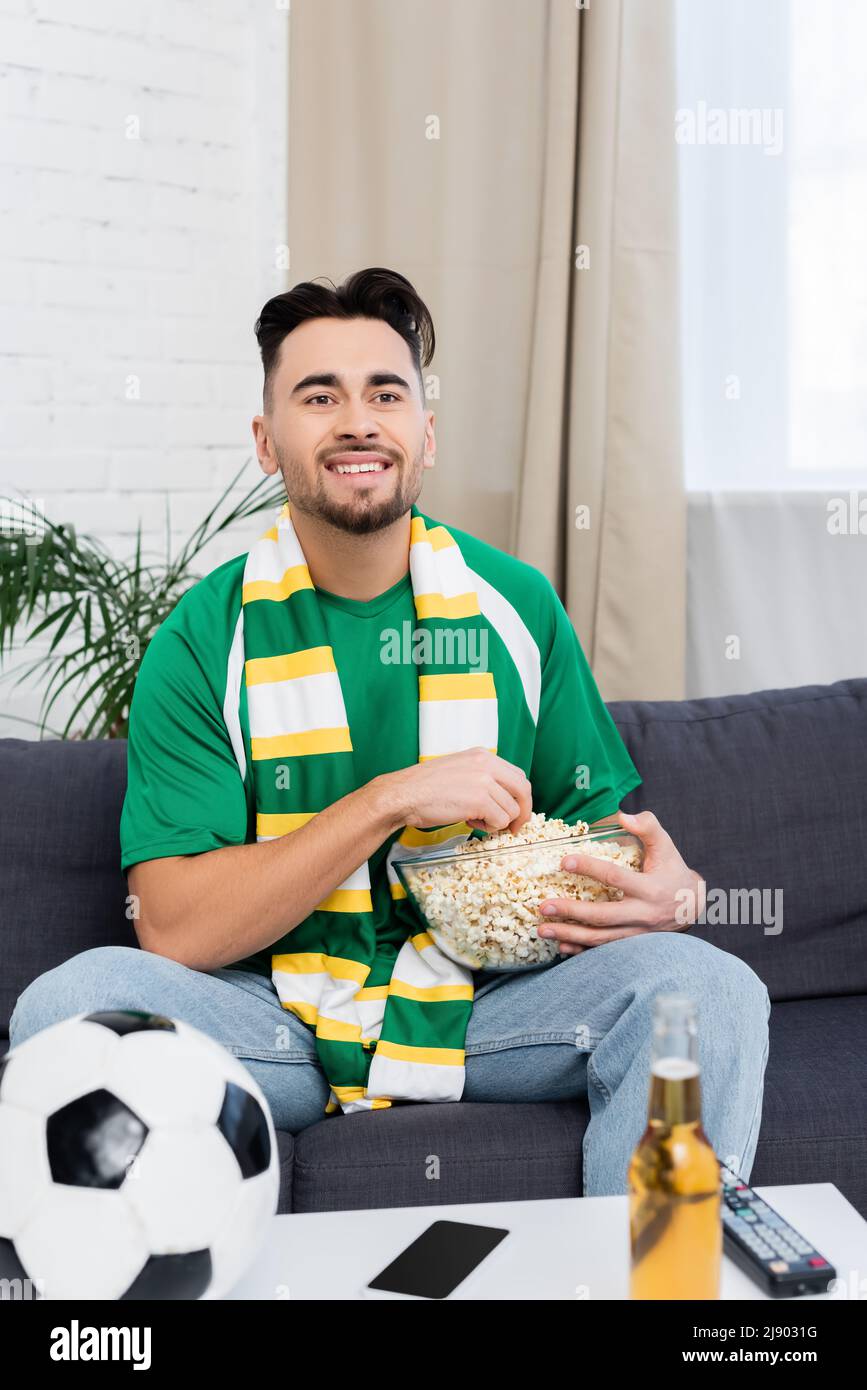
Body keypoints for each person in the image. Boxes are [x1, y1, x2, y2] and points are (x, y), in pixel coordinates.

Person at [8, 267, 770, 1196]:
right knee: (67, 1002)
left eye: (385, 393)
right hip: (271, 1022)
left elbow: (592, 850)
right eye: (318, 396)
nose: (357, 421)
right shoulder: (204, 637)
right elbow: (169, 928)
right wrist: (389, 800)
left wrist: (674, 895)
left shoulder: (517, 607)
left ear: (425, 434)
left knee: (712, 986)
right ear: (264, 440)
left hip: (483, 1009)